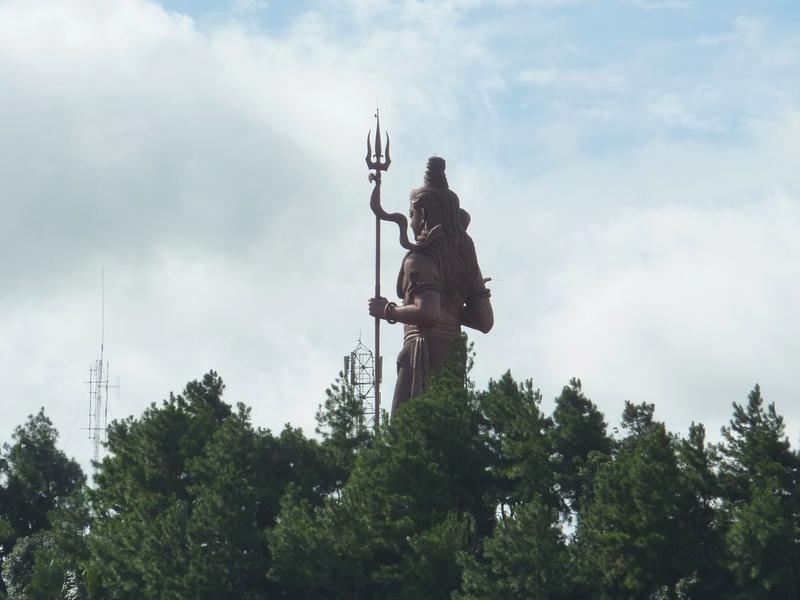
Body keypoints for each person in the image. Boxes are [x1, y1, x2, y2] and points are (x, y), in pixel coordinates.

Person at [369, 156, 493, 415]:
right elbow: (484, 320)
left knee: (407, 434)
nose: (412, 220)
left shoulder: (420, 259)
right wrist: (455, 310)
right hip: (453, 357)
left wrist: (387, 311)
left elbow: (428, 312)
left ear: (422, 214)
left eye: (412, 214)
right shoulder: (464, 257)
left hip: (421, 353)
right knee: (448, 433)